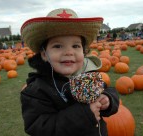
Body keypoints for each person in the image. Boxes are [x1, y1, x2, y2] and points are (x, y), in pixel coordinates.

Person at [20, 8, 119, 136]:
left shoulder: (87, 75)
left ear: (83, 51)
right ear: (44, 54)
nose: (69, 52)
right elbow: (39, 127)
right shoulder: (36, 90)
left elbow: (106, 89)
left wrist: (108, 99)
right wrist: (84, 114)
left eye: (76, 46)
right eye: (58, 46)